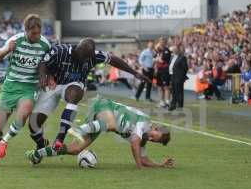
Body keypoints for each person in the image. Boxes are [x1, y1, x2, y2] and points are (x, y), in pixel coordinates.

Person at [28, 38, 150, 153]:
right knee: (33, 124)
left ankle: (60, 138)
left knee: (75, 94)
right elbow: (43, 62)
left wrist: (134, 73)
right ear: (77, 51)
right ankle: (40, 144)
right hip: (53, 84)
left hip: (73, 85)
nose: (86, 61)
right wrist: (43, 75)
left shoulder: (94, 55)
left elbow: (114, 59)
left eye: (88, 58)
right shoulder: (60, 51)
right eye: (84, 58)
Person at [26, 97, 173, 169]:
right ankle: (79, 129)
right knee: (113, 125)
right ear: (155, 128)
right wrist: (139, 167)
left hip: (100, 123)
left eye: (156, 142)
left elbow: (144, 159)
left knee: (75, 149)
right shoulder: (144, 122)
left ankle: (37, 154)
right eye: (155, 136)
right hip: (104, 106)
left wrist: (160, 165)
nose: (152, 139)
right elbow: (134, 143)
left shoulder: (143, 139)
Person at [0, 14, 50, 169]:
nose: (36, 36)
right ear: (26, 31)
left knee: (24, 114)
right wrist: (8, 49)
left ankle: (5, 141)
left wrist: (48, 78)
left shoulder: (45, 44)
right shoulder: (15, 40)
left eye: (38, 32)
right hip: (10, 87)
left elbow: (49, 65)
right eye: (33, 33)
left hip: (29, 88)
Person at [168, 45, 189, 111]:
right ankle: (173, 104)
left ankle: (180, 106)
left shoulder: (182, 57)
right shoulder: (172, 57)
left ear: (178, 50)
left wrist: (181, 77)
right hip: (172, 76)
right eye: (173, 49)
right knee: (173, 91)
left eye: (175, 49)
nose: (174, 50)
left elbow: (185, 68)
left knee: (179, 91)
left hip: (178, 77)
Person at [155, 38, 172, 108]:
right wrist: (157, 59)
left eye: (163, 42)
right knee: (159, 87)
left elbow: (162, 61)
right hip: (159, 70)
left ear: (164, 43)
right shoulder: (158, 51)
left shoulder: (166, 51)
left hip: (165, 71)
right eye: (160, 42)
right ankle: (162, 102)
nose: (161, 43)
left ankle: (167, 102)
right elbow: (154, 59)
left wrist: (157, 59)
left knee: (166, 87)